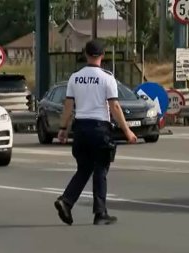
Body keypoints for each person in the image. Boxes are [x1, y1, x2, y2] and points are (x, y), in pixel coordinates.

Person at [53, 40, 137, 226]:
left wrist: (62, 129)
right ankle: (100, 213)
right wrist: (127, 131)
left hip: (80, 128)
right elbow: (114, 106)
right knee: (100, 169)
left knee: (83, 168)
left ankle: (66, 201)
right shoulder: (107, 78)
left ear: (85, 54)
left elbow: (68, 105)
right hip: (99, 129)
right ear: (103, 55)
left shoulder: (75, 77)